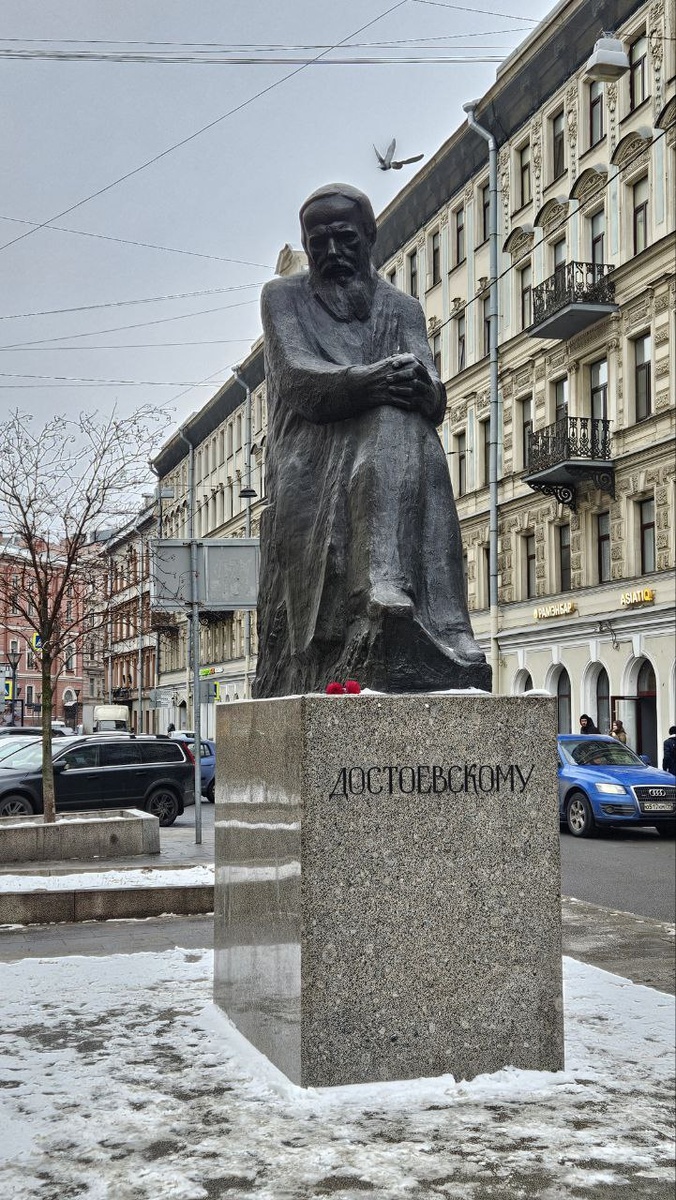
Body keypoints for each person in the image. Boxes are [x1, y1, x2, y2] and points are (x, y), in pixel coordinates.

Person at [253, 183, 490, 697]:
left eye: (345, 239)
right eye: (318, 243)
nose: (332, 253)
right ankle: (391, 589)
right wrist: (374, 382)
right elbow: (298, 379)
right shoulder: (282, 298)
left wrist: (422, 388)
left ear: (369, 236)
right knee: (392, 417)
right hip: (311, 453)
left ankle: (440, 620)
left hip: (389, 450)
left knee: (409, 425)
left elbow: (436, 393)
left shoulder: (402, 308)